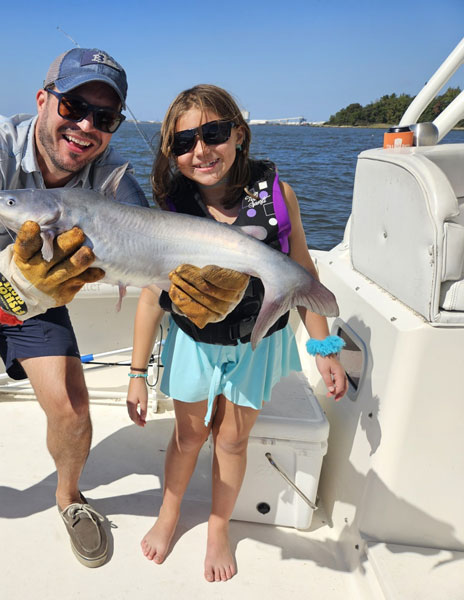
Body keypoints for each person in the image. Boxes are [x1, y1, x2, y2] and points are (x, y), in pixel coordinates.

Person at [0, 52, 249, 568]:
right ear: (43, 99)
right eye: (73, 105)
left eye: (104, 118)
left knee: (74, 414)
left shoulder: (114, 182)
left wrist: (201, 294)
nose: (85, 126)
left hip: (40, 294)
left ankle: (70, 497)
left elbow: (156, 256)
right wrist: (6, 280)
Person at [125, 84, 348, 581]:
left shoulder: (277, 195)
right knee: (187, 436)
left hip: (257, 344)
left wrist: (324, 347)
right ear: (172, 154)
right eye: (184, 143)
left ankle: (219, 524)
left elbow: (303, 275)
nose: (200, 150)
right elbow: (149, 294)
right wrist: (137, 373)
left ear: (239, 134)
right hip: (193, 345)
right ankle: (169, 513)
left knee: (231, 440)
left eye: (213, 133)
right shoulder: (170, 207)